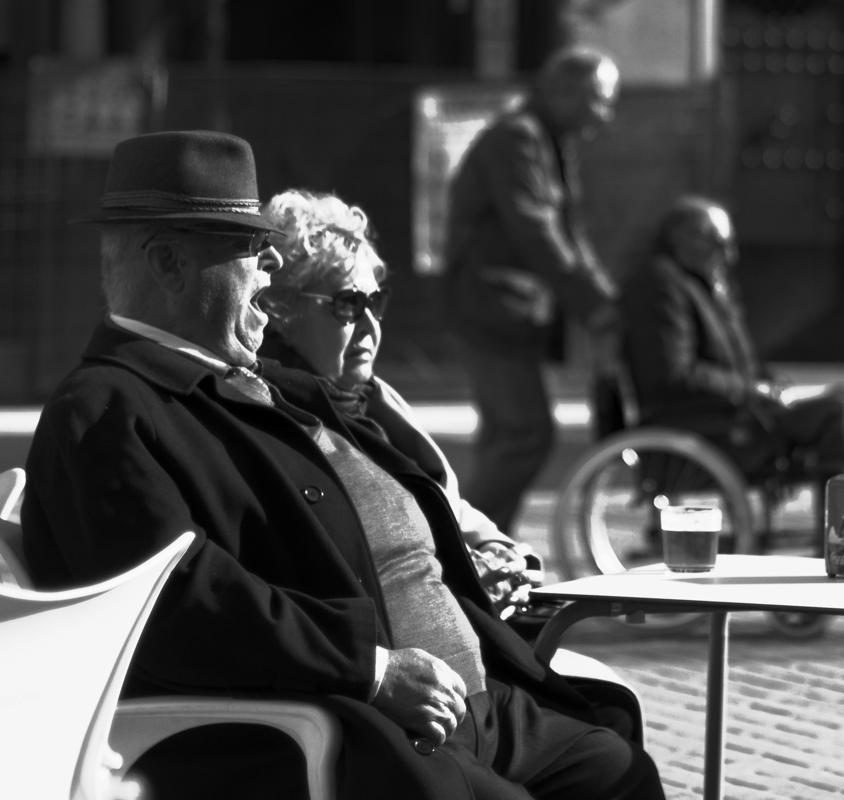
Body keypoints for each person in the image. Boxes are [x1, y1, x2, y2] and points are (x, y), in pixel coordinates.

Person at [22, 131, 664, 800]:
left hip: (469, 704)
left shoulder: (275, 386)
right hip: (352, 724)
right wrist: (371, 668)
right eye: (251, 251)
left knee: (616, 768)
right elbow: (181, 602)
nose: (269, 274)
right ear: (169, 264)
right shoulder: (104, 410)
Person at [256, 188, 538, 616]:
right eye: (347, 305)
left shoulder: (372, 398)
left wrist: (498, 550)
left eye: (375, 302)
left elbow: (446, 503)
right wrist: (463, 578)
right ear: (282, 311)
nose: (370, 325)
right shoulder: (276, 416)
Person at [444, 46, 622, 535]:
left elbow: (570, 233)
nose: (603, 116)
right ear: (562, 90)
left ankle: (481, 545)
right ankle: (463, 546)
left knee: (507, 436)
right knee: (525, 434)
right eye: (598, 101)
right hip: (489, 309)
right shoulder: (518, 138)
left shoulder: (548, 140)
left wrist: (604, 297)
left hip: (507, 311)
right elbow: (536, 230)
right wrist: (593, 304)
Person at [621, 196, 844, 489]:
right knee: (839, 414)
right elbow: (673, 373)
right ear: (683, 240)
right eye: (718, 243)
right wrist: (750, 389)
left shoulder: (699, 283)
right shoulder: (661, 285)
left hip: (731, 411)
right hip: (708, 422)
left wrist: (768, 383)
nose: (729, 256)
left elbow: (736, 361)